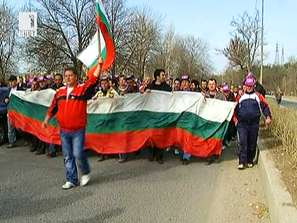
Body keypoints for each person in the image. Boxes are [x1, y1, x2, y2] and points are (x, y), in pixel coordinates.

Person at [42, 58, 103, 189]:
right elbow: (53, 106)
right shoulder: (60, 92)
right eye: (66, 76)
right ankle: (71, 179)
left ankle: (85, 172)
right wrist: (47, 119)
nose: (68, 78)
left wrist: (99, 66)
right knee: (67, 156)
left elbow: (92, 82)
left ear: (76, 77)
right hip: (64, 130)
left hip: (78, 130)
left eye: (70, 76)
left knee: (78, 153)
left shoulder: (81, 90)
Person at [233, 76, 271, 169]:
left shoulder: (258, 96)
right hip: (242, 124)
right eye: (247, 85)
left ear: (253, 85)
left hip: (254, 124)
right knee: (242, 141)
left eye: (250, 85)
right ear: (245, 85)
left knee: (252, 142)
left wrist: (268, 117)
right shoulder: (240, 96)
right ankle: (242, 161)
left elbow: (265, 107)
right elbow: (234, 109)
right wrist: (235, 120)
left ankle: (249, 160)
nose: (249, 87)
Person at [146, 69, 172, 164]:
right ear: (157, 76)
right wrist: (146, 93)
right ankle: (151, 153)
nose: (164, 77)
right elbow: (144, 98)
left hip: (162, 114)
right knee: (151, 135)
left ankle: (159, 156)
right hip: (152, 115)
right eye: (162, 75)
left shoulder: (167, 88)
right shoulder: (150, 86)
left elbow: (171, 98)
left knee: (161, 135)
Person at [204, 78, 226, 165]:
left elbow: (225, 106)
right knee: (208, 139)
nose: (211, 86)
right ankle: (209, 157)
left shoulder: (221, 96)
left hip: (218, 121)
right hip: (208, 121)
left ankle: (216, 154)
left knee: (217, 139)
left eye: (213, 84)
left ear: (216, 85)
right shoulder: (204, 96)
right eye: (210, 84)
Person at [5, 75, 22, 148]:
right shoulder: (9, 90)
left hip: (18, 112)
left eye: (12, 81)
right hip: (10, 112)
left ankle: (27, 139)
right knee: (10, 128)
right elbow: (6, 97)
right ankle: (12, 141)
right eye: (10, 82)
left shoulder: (19, 89)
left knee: (20, 128)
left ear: (16, 81)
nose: (11, 83)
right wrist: (6, 100)